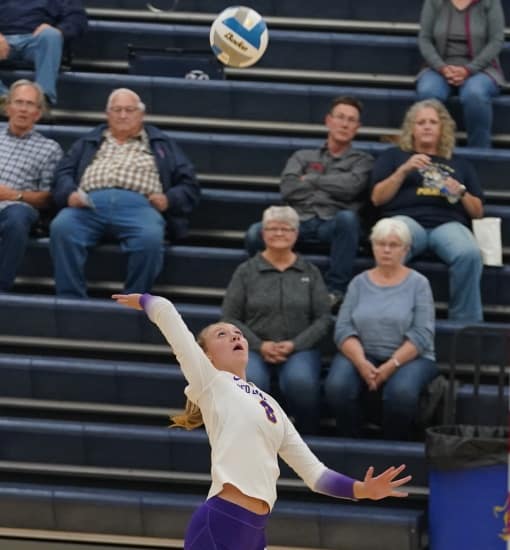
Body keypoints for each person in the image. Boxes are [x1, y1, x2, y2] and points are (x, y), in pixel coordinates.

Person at [112, 291, 412, 550]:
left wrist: (362, 490)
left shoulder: (272, 405)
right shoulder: (211, 382)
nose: (235, 336)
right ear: (207, 356)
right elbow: (168, 315)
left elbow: (315, 475)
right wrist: (146, 300)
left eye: (238, 333)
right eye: (222, 334)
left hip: (254, 531)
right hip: (221, 521)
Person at [50, 88, 200, 298]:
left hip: (140, 207)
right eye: (117, 110)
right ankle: (71, 299)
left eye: (129, 110)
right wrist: (69, 194)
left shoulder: (161, 144)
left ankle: (133, 301)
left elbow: (189, 183)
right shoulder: (88, 141)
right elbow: (62, 173)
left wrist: (168, 199)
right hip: (88, 205)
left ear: (141, 115)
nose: (122, 115)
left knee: (150, 238)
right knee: (62, 227)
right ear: (107, 114)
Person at [244, 96, 374, 308]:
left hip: (333, 223)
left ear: (357, 127)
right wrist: (332, 187)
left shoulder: (363, 161)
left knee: (348, 220)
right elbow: (288, 188)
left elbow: (351, 188)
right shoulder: (303, 156)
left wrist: (312, 180)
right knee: (254, 233)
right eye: (340, 117)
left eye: (351, 120)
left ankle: (335, 290)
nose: (344, 124)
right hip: (298, 221)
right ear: (328, 121)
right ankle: (268, 285)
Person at [324, 218, 438, 440]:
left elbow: (422, 334)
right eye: (380, 244)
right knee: (337, 387)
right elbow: (343, 328)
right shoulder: (358, 283)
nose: (386, 250)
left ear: (406, 250)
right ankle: (352, 441)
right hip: (363, 353)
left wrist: (390, 366)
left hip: (412, 358)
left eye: (393, 245)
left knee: (401, 394)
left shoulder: (419, 284)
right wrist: (360, 362)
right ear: (373, 247)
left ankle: (393, 446)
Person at [371, 99, 484, 322]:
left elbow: (478, 212)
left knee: (470, 254)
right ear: (412, 129)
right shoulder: (394, 156)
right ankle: (389, 318)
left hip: (447, 224)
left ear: (442, 129)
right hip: (406, 220)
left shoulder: (460, 164)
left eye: (433, 122)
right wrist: (403, 170)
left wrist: (461, 191)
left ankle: (465, 324)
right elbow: (377, 198)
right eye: (421, 122)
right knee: (389, 240)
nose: (427, 127)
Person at [221, 205, 331, 434]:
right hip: (252, 347)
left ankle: (307, 435)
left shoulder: (310, 272)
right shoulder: (246, 271)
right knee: (251, 382)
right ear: (263, 234)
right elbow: (230, 317)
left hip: (300, 349)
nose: (279, 233)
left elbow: (323, 318)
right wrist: (259, 345)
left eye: (286, 228)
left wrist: (295, 344)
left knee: (301, 382)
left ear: (296, 234)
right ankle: (254, 437)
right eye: (273, 228)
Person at [416, 0, 506, 148]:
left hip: (482, 68)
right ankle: (434, 153)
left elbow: (496, 40)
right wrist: (441, 67)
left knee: (475, 94)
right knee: (428, 91)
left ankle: (479, 153)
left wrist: (469, 69)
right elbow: (424, 38)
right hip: (439, 67)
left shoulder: (490, 2)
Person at [0, 79, 63, 291]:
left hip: (16, 207)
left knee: (17, 217)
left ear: (38, 113)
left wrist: (13, 195)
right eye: (19, 102)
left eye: (30, 104)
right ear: (8, 107)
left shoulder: (49, 149)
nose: (23, 109)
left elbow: (48, 198)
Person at [0, 1, 88, 106]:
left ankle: (42, 99)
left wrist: (60, 30)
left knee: (51, 34)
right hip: (3, 40)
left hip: (39, 41)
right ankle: (3, 99)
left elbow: (77, 18)